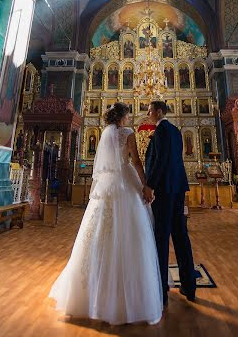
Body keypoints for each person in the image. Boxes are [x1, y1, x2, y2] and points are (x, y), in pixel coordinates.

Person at [49, 103, 163, 325]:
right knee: (130, 234)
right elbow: (136, 162)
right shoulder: (128, 133)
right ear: (123, 116)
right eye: (128, 114)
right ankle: (126, 297)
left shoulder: (105, 133)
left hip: (107, 183)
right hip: (124, 182)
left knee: (99, 233)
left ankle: (92, 295)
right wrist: (145, 184)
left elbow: (102, 164)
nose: (130, 118)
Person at [144, 101, 196, 306]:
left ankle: (162, 290)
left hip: (164, 191)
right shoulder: (175, 131)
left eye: (149, 111)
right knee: (181, 236)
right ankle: (189, 286)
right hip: (178, 188)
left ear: (158, 112)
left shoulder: (161, 131)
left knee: (162, 237)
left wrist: (150, 185)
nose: (147, 114)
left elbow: (160, 161)